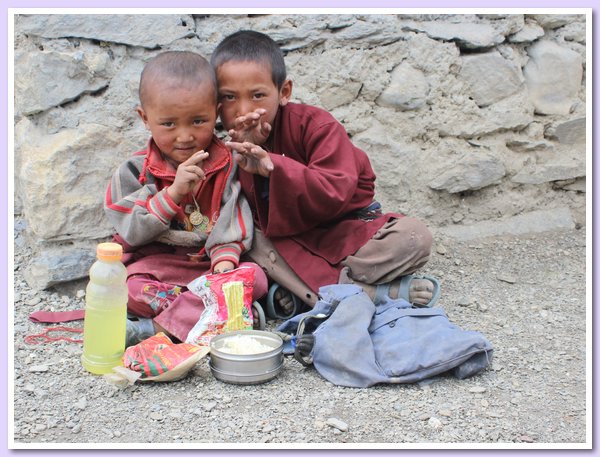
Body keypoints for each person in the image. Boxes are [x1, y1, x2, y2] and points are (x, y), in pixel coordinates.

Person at [210, 30, 439, 318]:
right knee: (246, 241)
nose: (243, 110)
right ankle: (365, 291)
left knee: (414, 237)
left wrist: (273, 166)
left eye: (258, 95)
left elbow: (338, 189)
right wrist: (244, 157)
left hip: (339, 230)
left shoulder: (316, 125)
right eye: (229, 98)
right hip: (281, 241)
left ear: (284, 92)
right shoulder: (221, 150)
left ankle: (303, 291)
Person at [104, 51, 268, 346]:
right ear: (145, 118)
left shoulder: (228, 164)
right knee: (130, 289)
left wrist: (224, 266)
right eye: (168, 124)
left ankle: (157, 329)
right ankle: (222, 315)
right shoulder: (134, 171)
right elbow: (132, 230)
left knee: (255, 278)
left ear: (215, 113)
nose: (184, 136)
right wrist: (174, 193)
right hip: (159, 266)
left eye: (198, 121)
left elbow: (234, 218)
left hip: (210, 266)